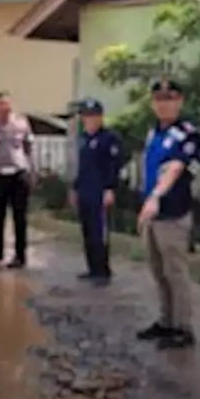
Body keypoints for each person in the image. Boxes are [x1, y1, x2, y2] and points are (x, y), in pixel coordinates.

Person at [135, 79, 200, 349]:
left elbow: (175, 168)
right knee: (158, 271)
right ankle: (166, 321)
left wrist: (155, 197)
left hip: (173, 213)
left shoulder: (188, 134)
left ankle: (183, 328)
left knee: (176, 272)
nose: (164, 104)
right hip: (153, 215)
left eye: (170, 99)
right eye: (159, 99)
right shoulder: (154, 133)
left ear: (180, 101)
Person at [0, 92, 36, 269]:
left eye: (5, 104)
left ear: (10, 105)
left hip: (18, 174)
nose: (2, 108)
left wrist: (33, 172)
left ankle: (20, 256)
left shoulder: (21, 123)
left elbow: (29, 148)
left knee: (20, 217)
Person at [69, 98, 122, 286]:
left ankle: (102, 270)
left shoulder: (109, 138)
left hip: (100, 191)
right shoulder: (84, 139)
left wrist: (110, 188)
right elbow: (82, 168)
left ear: (100, 117)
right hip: (85, 190)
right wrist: (75, 188)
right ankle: (92, 268)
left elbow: (113, 166)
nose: (89, 120)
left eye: (93, 116)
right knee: (88, 231)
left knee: (100, 231)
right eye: (86, 116)